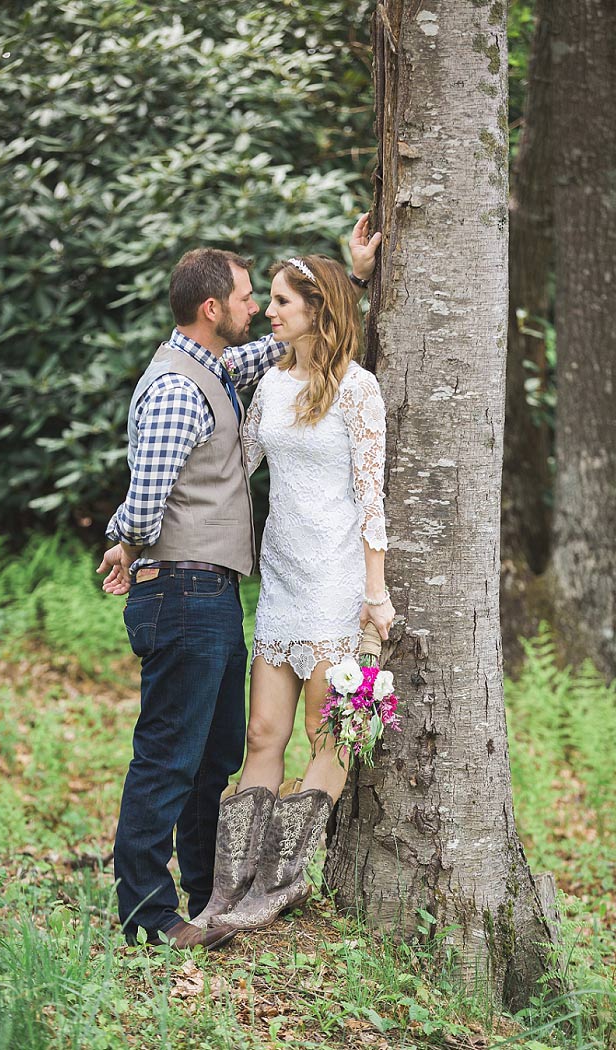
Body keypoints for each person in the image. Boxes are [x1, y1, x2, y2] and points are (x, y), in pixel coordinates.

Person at [97, 219, 380, 950]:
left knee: (220, 751)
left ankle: (223, 891)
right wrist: (123, 539)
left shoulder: (226, 370)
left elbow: (299, 342)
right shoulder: (184, 387)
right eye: (253, 298)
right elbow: (155, 489)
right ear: (211, 309)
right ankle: (155, 913)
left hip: (249, 587)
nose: (261, 310)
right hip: (196, 587)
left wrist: (350, 282)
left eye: (276, 299)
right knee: (188, 751)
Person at [193, 250, 394, 933]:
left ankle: (277, 887)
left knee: (329, 732)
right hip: (281, 581)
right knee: (262, 733)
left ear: (317, 310)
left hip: (337, 583)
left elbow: (372, 498)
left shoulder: (359, 389)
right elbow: (236, 465)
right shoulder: (271, 385)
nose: (269, 312)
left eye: (281, 301)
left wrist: (376, 594)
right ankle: (229, 889)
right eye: (269, 300)